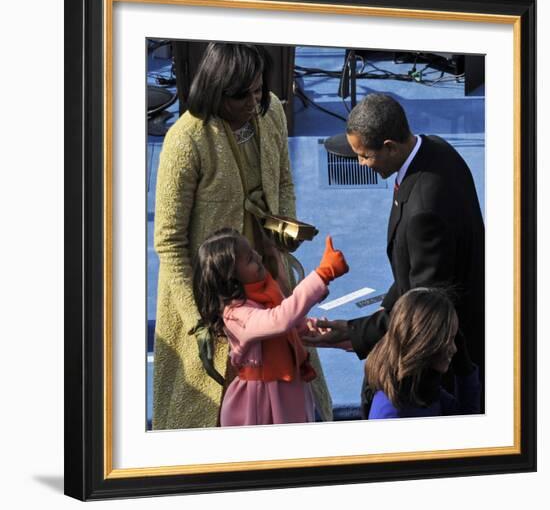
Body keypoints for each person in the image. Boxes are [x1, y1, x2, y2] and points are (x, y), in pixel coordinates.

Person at [152, 42, 333, 430]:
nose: (255, 101)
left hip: (266, 273)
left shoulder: (270, 114)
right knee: (213, 408)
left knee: (285, 376)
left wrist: (283, 233)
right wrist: (197, 320)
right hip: (211, 294)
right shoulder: (185, 140)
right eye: (243, 95)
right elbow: (168, 240)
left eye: (258, 89)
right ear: (218, 92)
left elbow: (283, 180)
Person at [305, 93, 485, 413]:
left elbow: (423, 309)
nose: (360, 163)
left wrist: (352, 333)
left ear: (389, 146)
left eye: (365, 156)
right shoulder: (436, 151)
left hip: (444, 364)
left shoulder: (424, 212)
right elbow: (410, 278)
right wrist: (364, 325)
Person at [192, 229, 349, 426]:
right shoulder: (236, 315)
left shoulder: (266, 292)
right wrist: (323, 274)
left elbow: (295, 327)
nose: (258, 257)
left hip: (290, 390)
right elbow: (280, 320)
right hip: (260, 404)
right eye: (249, 259)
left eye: (253, 252)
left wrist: (342, 335)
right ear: (231, 279)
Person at [366, 288, 480, 419]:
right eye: (447, 340)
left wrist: (464, 369)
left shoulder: (420, 387)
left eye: (455, 339)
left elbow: (467, 420)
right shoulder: (391, 413)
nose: (454, 349)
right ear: (424, 343)